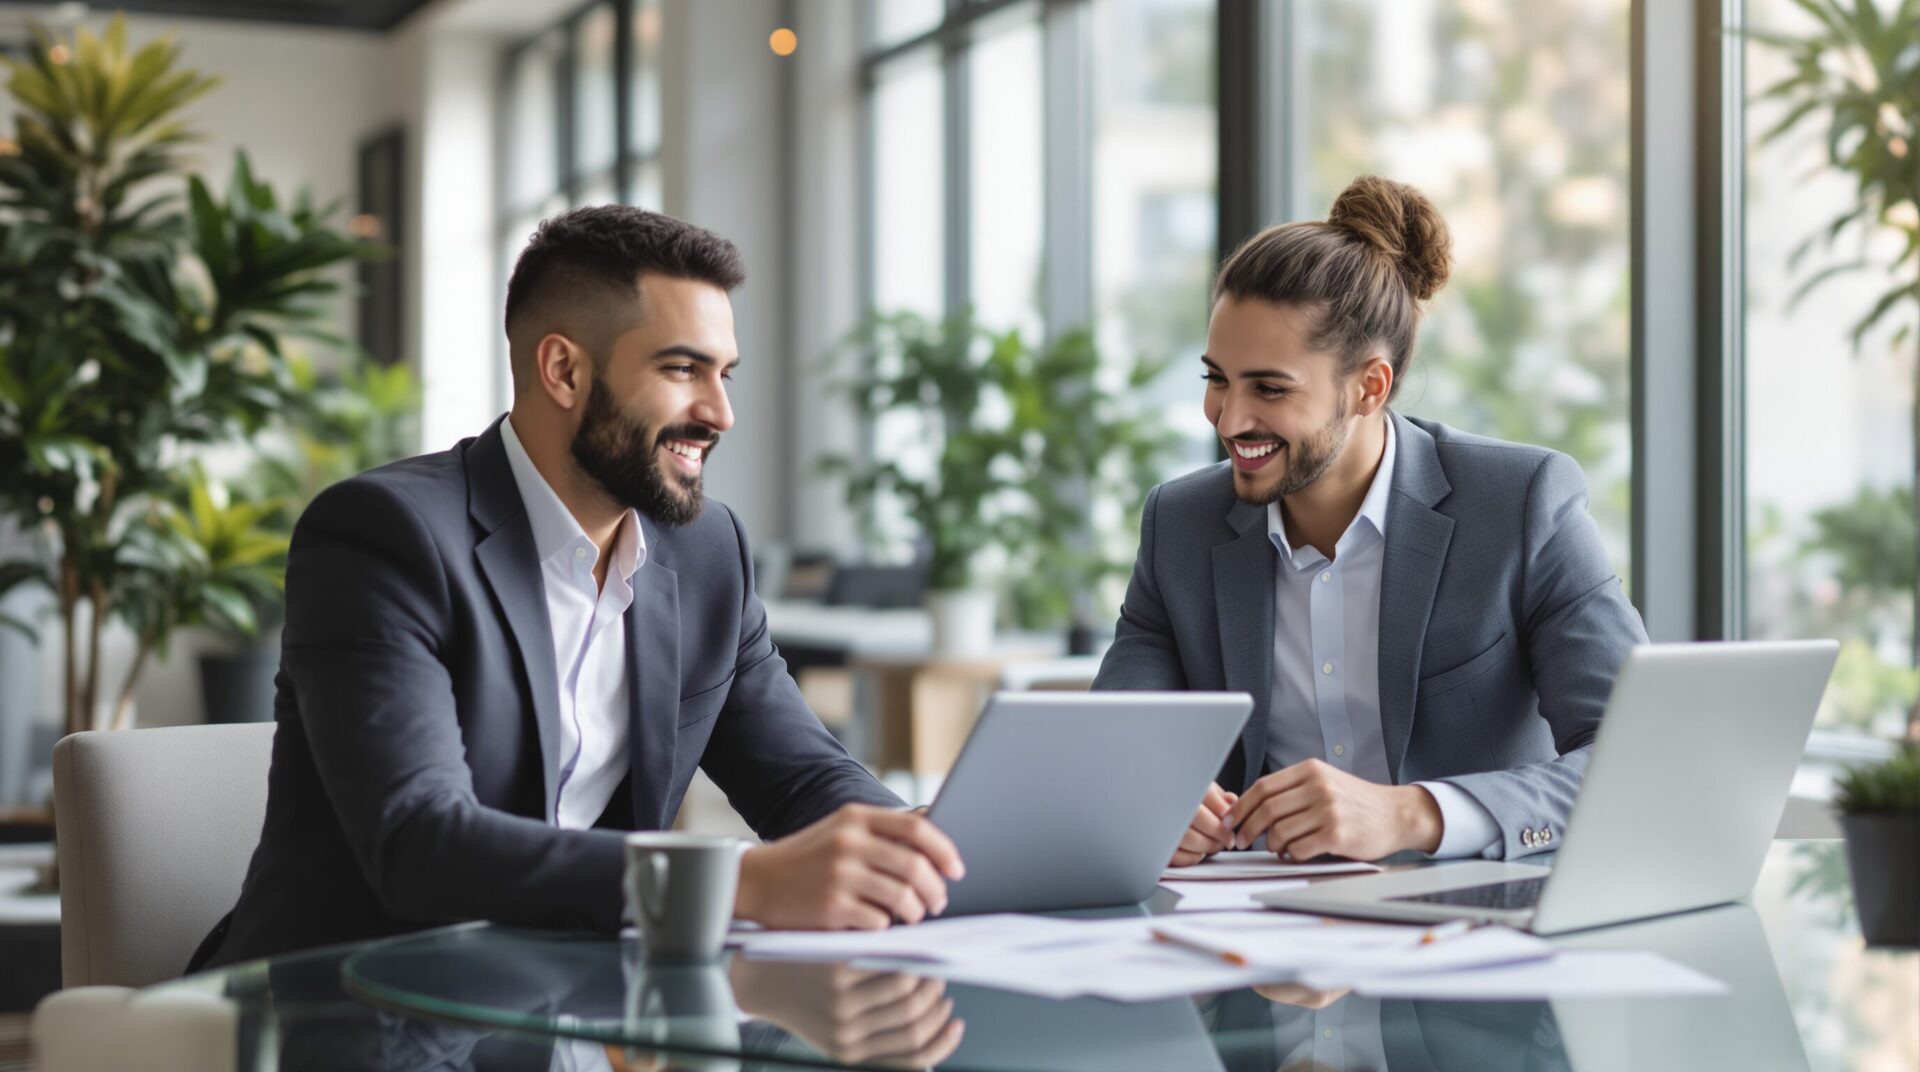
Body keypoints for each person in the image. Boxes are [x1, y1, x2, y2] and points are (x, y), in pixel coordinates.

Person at [191, 206, 963, 971]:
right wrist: (736, 882)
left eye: (723, 375)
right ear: (563, 370)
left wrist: (920, 849)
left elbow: (802, 778)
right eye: (681, 369)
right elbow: (419, 842)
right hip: (355, 1012)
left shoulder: (706, 552)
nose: (720, 413)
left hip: (573, 1006)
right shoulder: (383, 535)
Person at [1093, 174, 1647, 866]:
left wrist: (1414, 814)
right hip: (1254, 937)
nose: (1229, 420)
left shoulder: (1520, 505)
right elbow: (1112, 753)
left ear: (1369, 386)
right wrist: (1148, 799)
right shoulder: (1180, 526)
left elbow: (1637, 760)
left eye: (1269, 388)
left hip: (1471, 936)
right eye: (1217, 379)